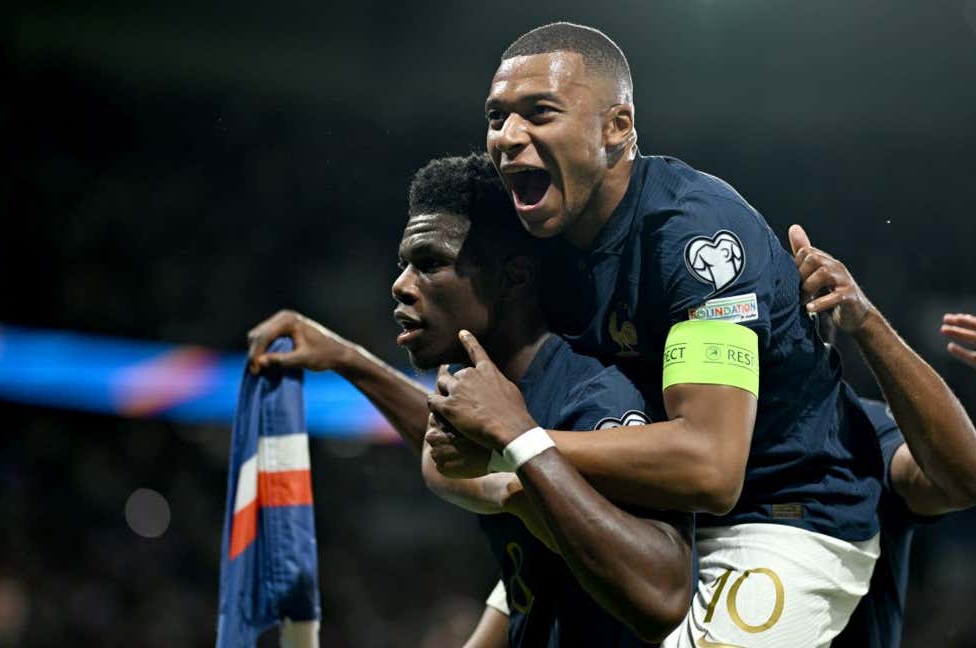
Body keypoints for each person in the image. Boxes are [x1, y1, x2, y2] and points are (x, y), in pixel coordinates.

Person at [427, 23, 884, 647]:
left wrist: (518, 442)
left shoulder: (693, 237)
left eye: (539, 113)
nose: (507, 138)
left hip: (784, 510)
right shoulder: (544, 233)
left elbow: (711, 467)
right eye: (496, 116)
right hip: (648, 507)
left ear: (618, 129)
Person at [248, 153, 694, 645]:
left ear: (516, 277)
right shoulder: (482, 384)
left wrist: (519, 465)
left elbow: (664, 597)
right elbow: (456, 449)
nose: (400, 285)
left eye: (431, 263)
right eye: (405, 265)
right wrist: (347, 360)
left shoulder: (593, 396)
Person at [787, 225, 976, 648]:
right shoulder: (693, 437)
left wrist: (866, 320)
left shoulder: (862, 429)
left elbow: (966, 479)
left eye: (805, 316)